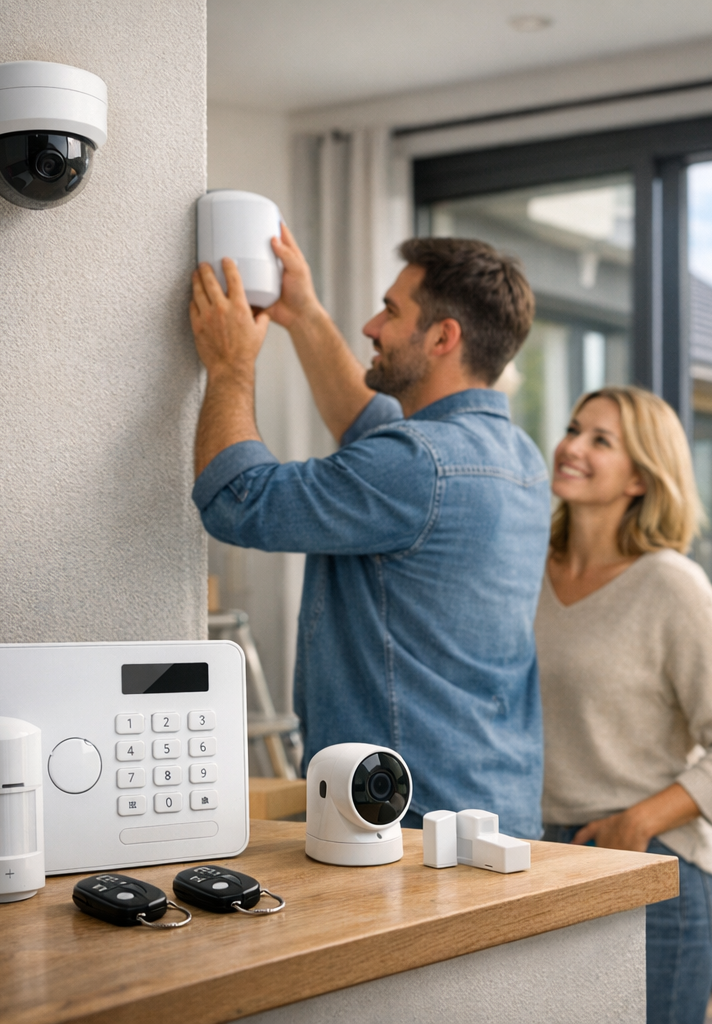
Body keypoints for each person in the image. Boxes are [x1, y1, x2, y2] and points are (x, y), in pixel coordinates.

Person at [188, 229, 551, 837]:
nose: (371, 326)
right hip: (492, 809)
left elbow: (238, 500)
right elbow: (369, 423)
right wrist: (302, 314)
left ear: (443, 337)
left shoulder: (415, 465)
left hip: (407, 822)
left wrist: (230, 365)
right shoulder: (516, 456)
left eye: (391, 311)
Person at [535, 386, 712, 1024]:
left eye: (600, 440)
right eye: (573, 429)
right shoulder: (528, 569)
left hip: (649, 870)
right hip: (536, 860)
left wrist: (635, 825)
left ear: (640, 477)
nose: (571, 446)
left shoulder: (671, 585)